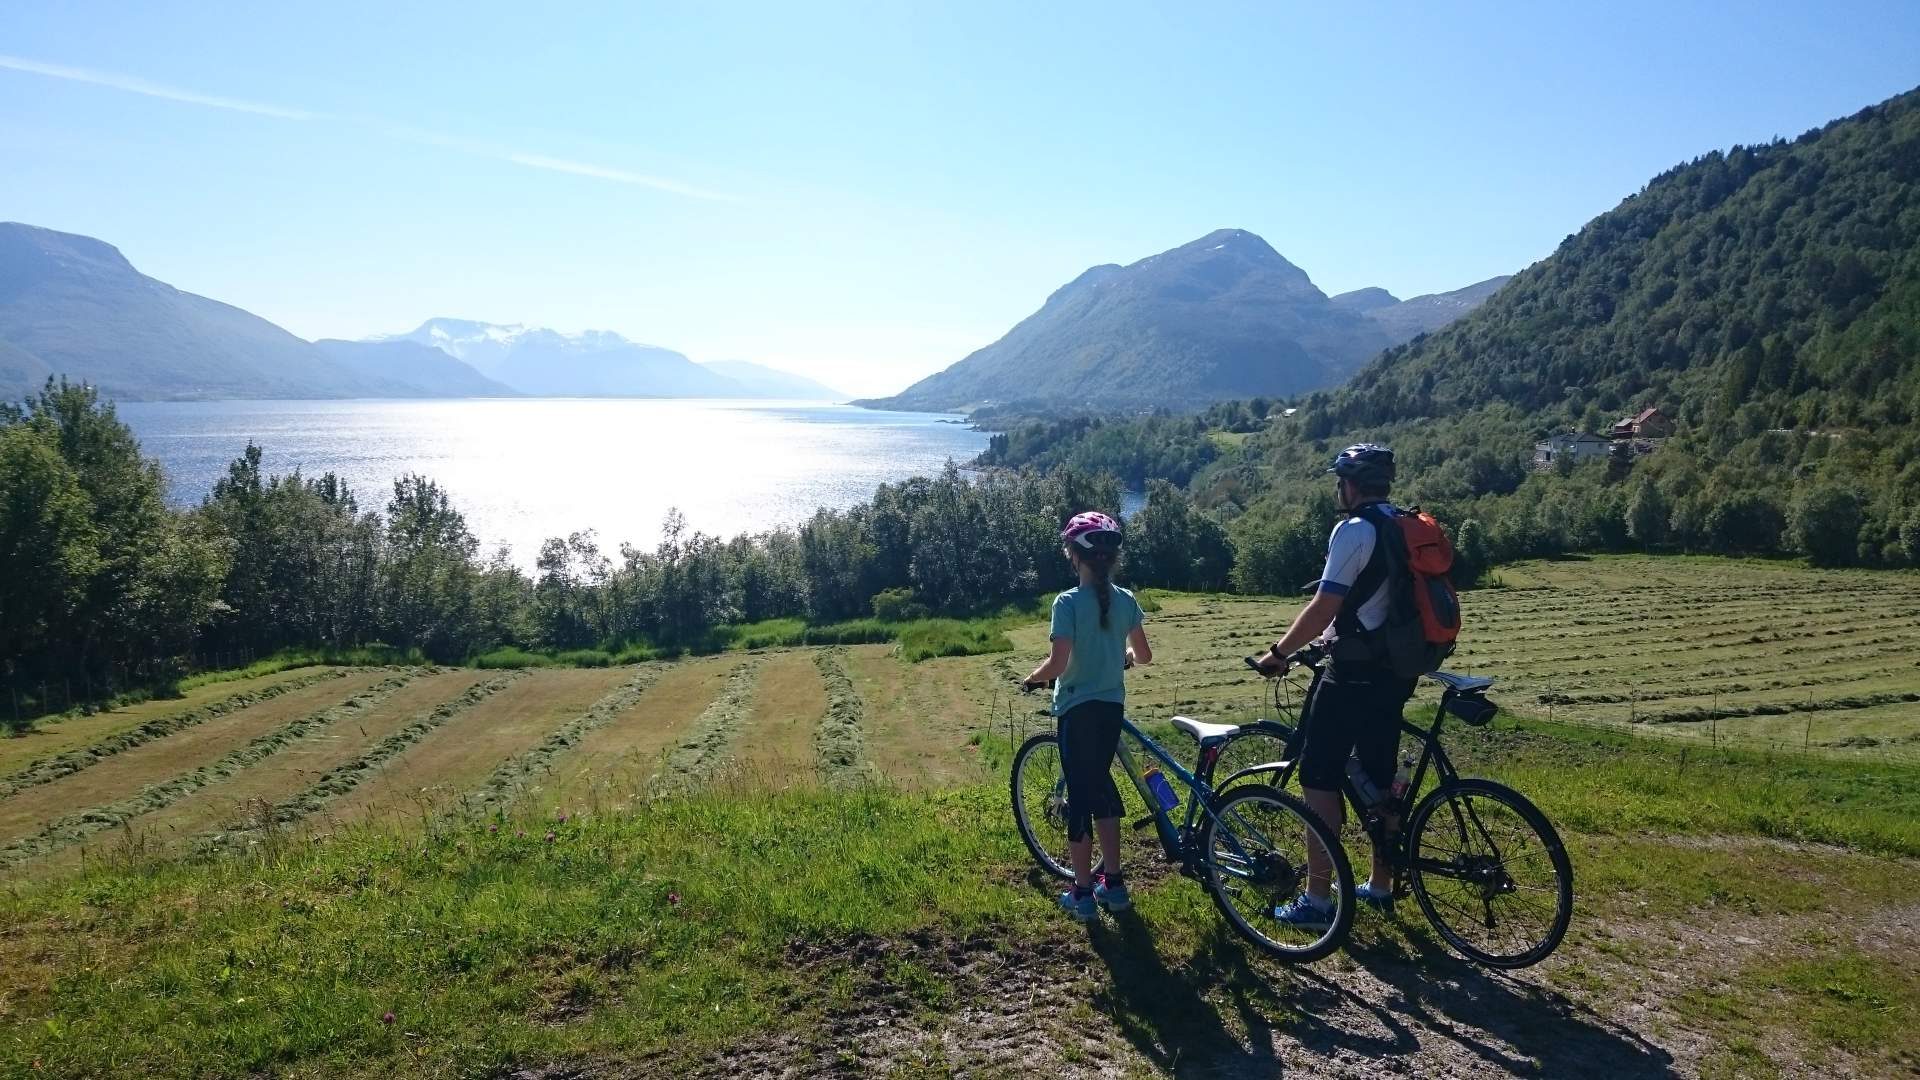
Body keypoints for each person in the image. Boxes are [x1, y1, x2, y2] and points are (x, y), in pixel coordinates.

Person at [1253, 443, 1417, 926]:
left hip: (1353, 673)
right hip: (1396, 670)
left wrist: (1279, 653)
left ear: (1350, 485)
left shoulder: (1354, 530)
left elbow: (1325, 605)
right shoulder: (1403, 524)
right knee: (1379, 776)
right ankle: (1381, 885)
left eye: (1339, 482)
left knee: (1318, 777)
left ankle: (1318, 899)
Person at [1023, 510, 1153, 922]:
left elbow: (1058, 664)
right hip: (1111, 708)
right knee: (1102, 790)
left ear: (1074, 556)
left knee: (1080, 799)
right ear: (1111, 559)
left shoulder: (1066, 603)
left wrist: (1033, 678)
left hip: (1077, 711)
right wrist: (1122, 656)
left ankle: (1082, 894)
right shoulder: (1127, 600)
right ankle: (1113, 884)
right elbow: (1144, 655)